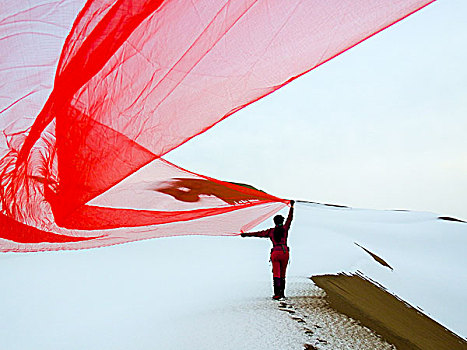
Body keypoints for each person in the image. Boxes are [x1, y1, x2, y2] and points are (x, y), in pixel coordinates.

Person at [241, 200, 295, 300]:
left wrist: (246, 234)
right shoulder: (285, 229)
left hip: (275, 252)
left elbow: (258, 234)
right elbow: (290, 219)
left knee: (276, 273)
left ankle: (277, 294)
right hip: (284, 252)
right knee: (283, 273)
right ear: (282, 221)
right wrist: (292, 207)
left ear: (274, 222)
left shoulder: (271, 231)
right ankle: (282, 293)